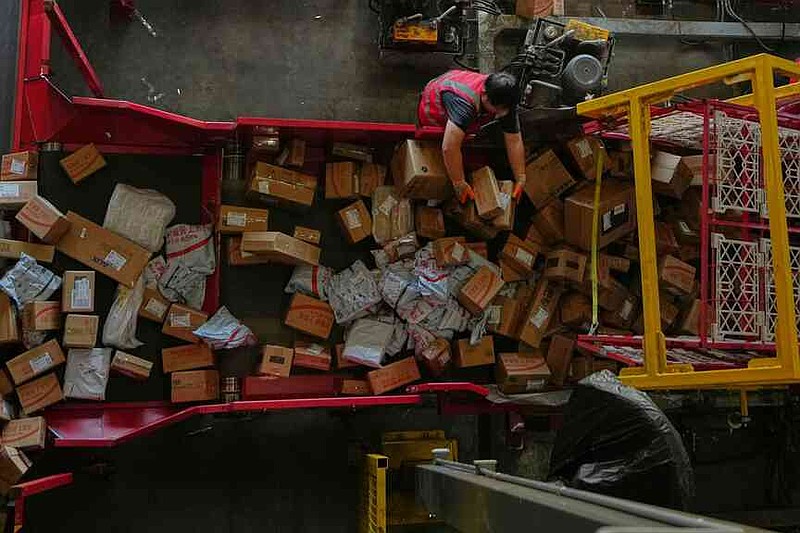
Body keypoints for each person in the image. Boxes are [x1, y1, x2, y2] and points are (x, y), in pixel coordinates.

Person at [418, 70, 526, 203]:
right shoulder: (463, 105)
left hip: (456, 88)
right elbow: (449, 148)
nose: (500, 115)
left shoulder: (504, 96)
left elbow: (514, 139)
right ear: (485, 95)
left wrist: (521, 177)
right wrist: (459, 183)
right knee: (442, 156)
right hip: (434, 109)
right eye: (497, 109)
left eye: (505, 110)